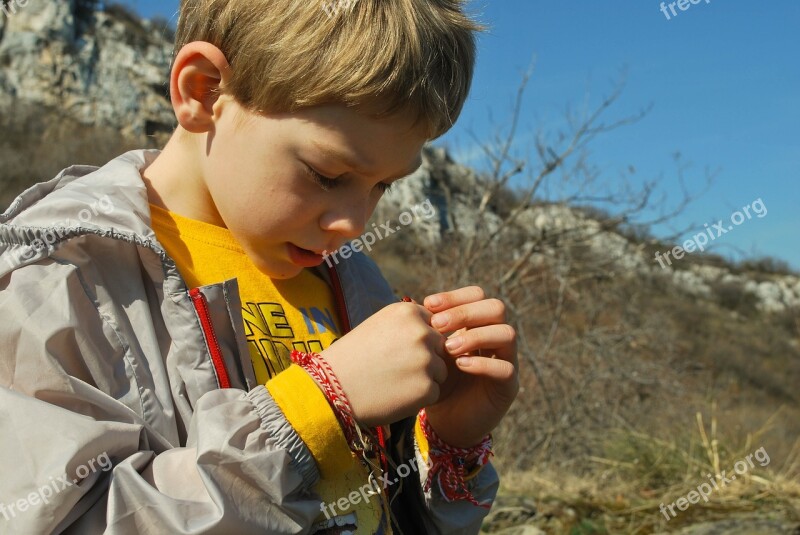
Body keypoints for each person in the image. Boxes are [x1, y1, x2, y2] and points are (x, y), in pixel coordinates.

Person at [0, 0, 519, 533]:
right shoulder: (60, 279)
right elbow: (56, 521)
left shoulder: (358, 285)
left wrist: (448, 443)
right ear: (204, 91)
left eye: (383, 186)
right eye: (326, 173)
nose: (356, 223)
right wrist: (310, 412)